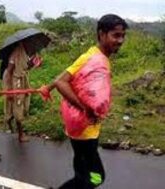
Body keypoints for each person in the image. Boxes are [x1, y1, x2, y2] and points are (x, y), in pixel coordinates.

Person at [40, 14, 128, 189]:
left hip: (82, 129)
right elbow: (61, 82)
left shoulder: (91, 55)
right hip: (84, 131)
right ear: (102, 34)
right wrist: (85, 109)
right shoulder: (96, 59)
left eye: (123, 36)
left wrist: (47, 88)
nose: (120, 40)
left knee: (82, 172)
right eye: (116, 35)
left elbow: (61, 77)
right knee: (95, 178)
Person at [2, 41, 41, 142]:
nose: (33, 45)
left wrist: (32, 64)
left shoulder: (25, 53)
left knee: (20, 102)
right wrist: (9, 89)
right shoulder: (16, 53)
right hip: (15, 81)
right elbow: (9, 71)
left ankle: (10, 120)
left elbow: (24, 68)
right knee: (18, 103)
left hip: (22, 80)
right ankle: (20, 135)